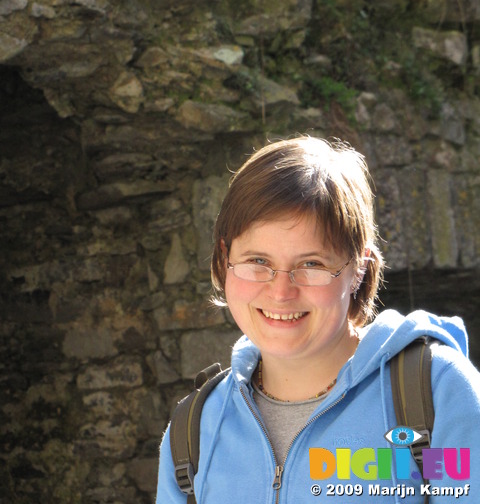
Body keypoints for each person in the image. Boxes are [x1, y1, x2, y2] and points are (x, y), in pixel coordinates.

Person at [156, 136, 480, 503]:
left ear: (359, 268)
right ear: (223, 260)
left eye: (312, 264)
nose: (281, 292)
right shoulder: (192, 433)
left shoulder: (438, 395)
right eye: (257, 261)